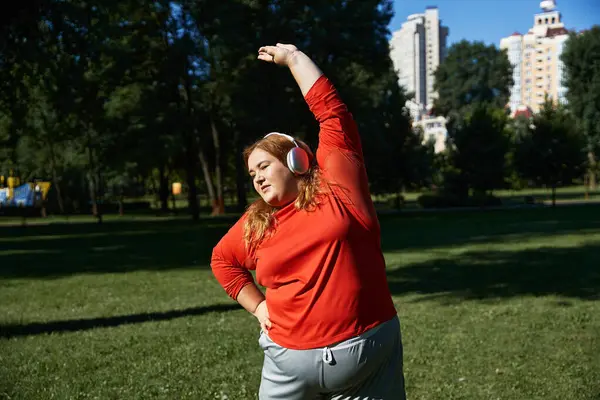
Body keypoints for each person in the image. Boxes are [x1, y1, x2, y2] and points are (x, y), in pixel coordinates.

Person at [211, 43, 406, 399]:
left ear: (297, 160)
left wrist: (295, 59)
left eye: (264, 165)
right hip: (287, 364)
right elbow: (223, 261)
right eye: (252, 172)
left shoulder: (339, 188)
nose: (256, 177)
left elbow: (333, 115)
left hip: (366, 355)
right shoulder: (256, 222)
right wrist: (258, 305)